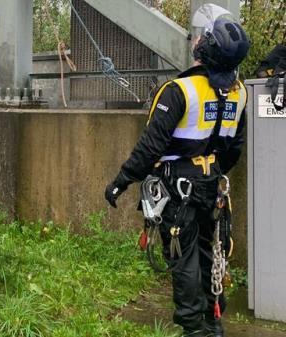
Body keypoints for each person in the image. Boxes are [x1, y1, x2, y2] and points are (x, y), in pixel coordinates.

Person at [103, 5, 249, 337]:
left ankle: (194, 328)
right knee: (209, 255)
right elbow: (234, 150)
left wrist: (120, 183)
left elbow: (150, 148)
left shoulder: (179, 91)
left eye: (199, 36)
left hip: (179, 190)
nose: (194, 38)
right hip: (213, 189)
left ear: (204, 46)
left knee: (182, 261)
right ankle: (213, 323)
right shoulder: (238, 94)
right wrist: (210, 171)